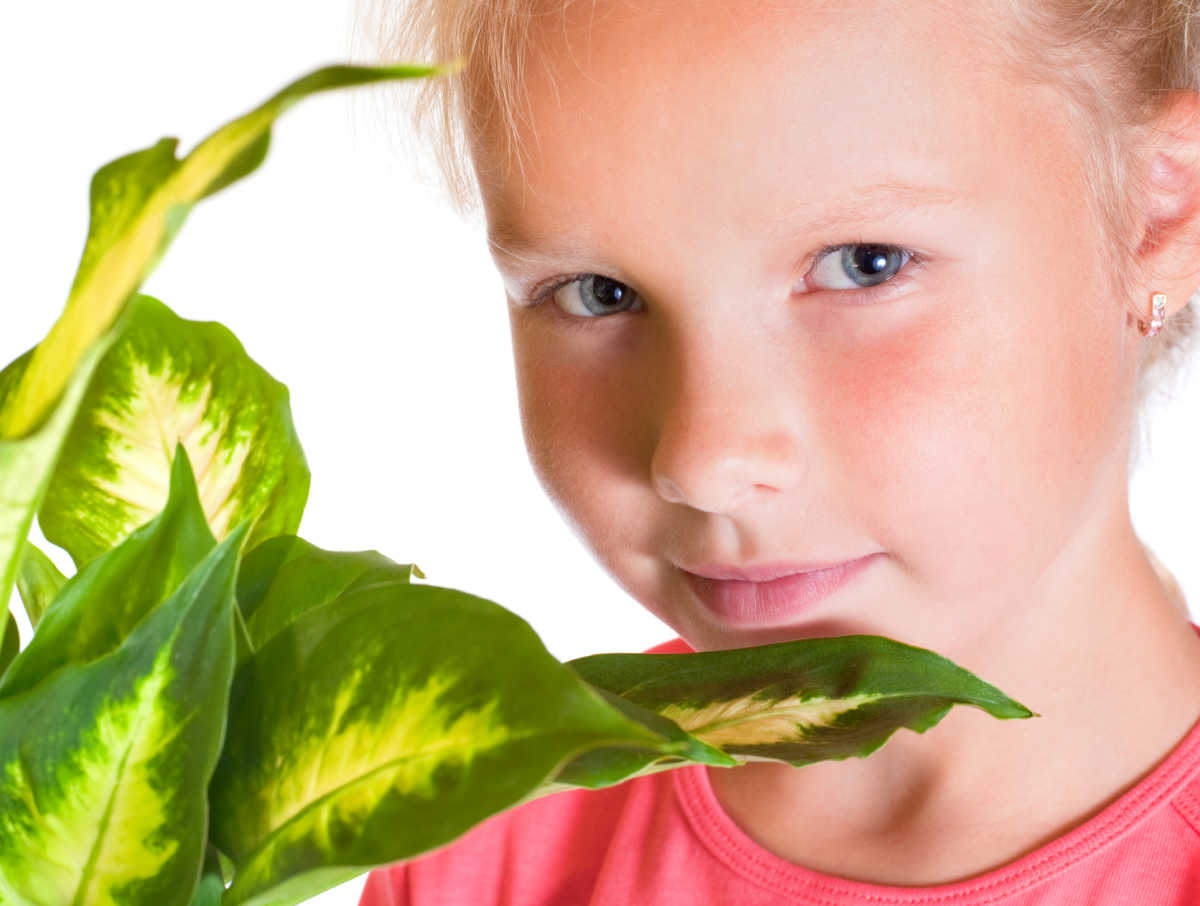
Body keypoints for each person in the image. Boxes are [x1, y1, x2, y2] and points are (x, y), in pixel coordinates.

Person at [355, 0, 1200, 901]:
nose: (704, 461)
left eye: (863, 264)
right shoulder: (474, 836)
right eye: (598, 293)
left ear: (1156, 210)